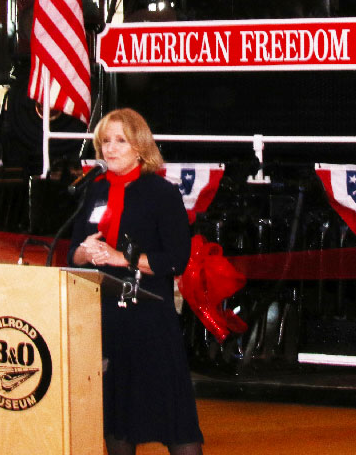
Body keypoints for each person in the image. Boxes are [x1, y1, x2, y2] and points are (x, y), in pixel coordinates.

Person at [69, 108, 203, 455]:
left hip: (149, 318)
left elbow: (176, 259)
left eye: (120, 141)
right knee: (117, 416)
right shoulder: (94, 192)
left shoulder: (162, 193)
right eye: (105, 141)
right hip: (107, 320)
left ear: (140, 147)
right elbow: (71, 253)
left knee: (174, 418)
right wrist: (86, 252)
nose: (110, 149)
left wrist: (123, 258)